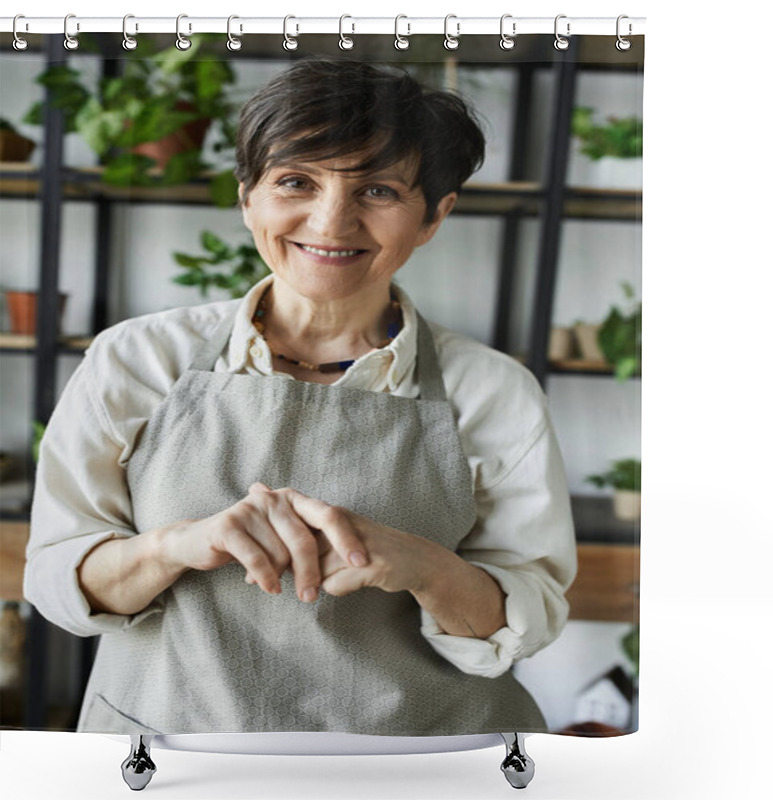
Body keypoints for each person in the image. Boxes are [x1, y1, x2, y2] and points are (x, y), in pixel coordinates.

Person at [24, 58, 577, 736]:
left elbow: (530, 612)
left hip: (421, 764)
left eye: (377, 191)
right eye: (295, 182)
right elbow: (58, 579)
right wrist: (174, 547)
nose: (330, 220)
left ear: (434, 216)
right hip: (172, 757)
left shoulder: (492, 392)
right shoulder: (137, 360)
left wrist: (423, 565)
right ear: (247, 197)